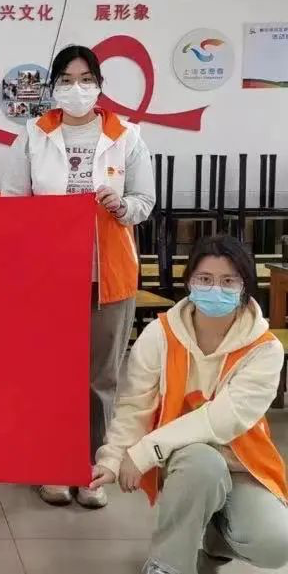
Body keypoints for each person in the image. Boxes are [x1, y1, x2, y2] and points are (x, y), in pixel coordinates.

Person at [1, 45, 155, 509]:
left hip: (109, 274)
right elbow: (13, 203)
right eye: (66, 80)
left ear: (100, 85)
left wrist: (121, 206)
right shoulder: (33, 136)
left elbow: (144, 201)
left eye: (86, 79)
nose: (77, 88)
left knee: (101, 379)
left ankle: (92, 470)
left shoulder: (126, 136)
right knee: (50, 375)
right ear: (53, 87)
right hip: (49, 275)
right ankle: (51, 464)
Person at [92, 235, 288, 574]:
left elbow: (221, 420)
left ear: (246, 287)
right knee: (201, 463)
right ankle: (168, 564)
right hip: (182, 460)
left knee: (276, 545)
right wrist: (112, 458)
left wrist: (145, 451)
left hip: (242, 463)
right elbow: (136, 406)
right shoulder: (159, 335)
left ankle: (215, 539)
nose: (215, 289)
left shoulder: (264, 349)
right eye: (205, 279)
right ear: (189, 283)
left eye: (228, 281)